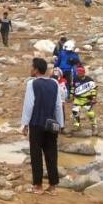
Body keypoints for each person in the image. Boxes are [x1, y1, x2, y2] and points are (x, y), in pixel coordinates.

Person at [20, 57, 64, 195]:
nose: (30, 69)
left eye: (32, 67)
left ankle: (37, 186)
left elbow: (29, 105)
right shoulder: (54, 83)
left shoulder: (32, 84)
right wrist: (61, 124)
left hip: (36, 124)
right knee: (52, 153)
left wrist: (24, 124)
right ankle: (52, 186)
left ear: (37, 69)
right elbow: (58, 105)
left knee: (36, 154)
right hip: (52, 124)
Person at [71, 66, 97, 132]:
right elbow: (73, 88)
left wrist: (93, 98)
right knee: (75, 111)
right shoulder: (75, 79)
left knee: (90, 113)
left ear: (83, 73)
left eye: (80, 73)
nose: (78, 74)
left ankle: (94, 125)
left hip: (87, 99)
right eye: (78, 73)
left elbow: (93, 89)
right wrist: (71, 96)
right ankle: (77, 125)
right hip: (78, 98)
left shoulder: (89, 80)